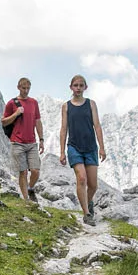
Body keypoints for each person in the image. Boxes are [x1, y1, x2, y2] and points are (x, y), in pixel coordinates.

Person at [58, 74, 106, 225]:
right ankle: (86, 214)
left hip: (91, 147)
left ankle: (88, 201)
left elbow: (97, 126)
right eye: (75, 85)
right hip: (74, 147)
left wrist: (102, 147)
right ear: (71, 87)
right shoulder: (66, 106)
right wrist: (61, 152)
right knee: (82, 178)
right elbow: (64, 128)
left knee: (93, 185)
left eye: (81, 85)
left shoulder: (91, 104)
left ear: (85, 87)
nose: (78, 88)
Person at [2, 77, 44, 201]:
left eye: (28, 88)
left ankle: (30, 188)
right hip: (17, 142)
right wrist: (16, 114)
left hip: (31, 142)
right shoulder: (11, 103)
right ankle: (26, 200)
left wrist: (41, 139)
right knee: (23, 172)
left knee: (35, 171)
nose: (26, 91)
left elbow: (38, 121)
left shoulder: (33, 102)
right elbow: (4, 122)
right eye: (23, 88)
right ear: (18, 87)